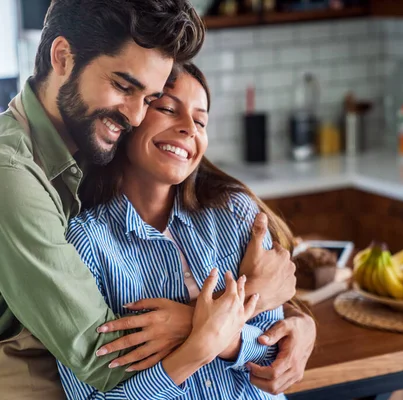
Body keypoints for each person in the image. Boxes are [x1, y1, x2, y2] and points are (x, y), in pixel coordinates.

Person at [0, 1, 313, 399]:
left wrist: (297, 323)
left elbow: (267, 331)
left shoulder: (84, 148)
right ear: (62, 57)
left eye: (148, 99)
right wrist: (233, 308)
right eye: (124, 86)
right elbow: (103, 360)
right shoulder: (6, 179)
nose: (133, 115)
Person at [57, 63, 296, 399]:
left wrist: (206, 329)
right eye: (168, 109)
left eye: (200, 121)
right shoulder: (86, 244)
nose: (189, 129)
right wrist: (198, 347)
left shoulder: (237, 214)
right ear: (129, 117)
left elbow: (277, 354)